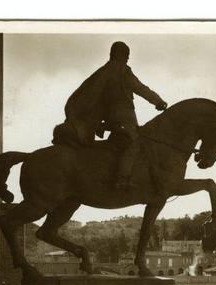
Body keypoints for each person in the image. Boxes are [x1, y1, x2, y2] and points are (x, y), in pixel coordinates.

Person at [60, 41, 168, 189]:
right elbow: (141, 88)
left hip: (109, 118)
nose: (128, 58)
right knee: (135, 144)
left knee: (120, 144)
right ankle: (122, 178)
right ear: (120, 54)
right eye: (127, 55)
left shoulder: (103, 71)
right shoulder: (122, 70)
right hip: (123, 118)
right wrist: (158, 101)